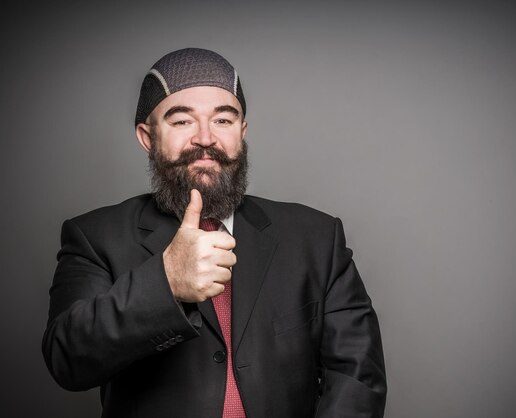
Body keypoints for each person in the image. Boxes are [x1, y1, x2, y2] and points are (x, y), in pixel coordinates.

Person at [42, 48, 386, 418]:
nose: (205, 138)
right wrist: (167, 283)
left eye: (223, 120)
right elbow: (68, 359)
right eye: (182, 121)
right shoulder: (95, 236)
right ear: (147, 136)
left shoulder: (317, 237)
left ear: (242, 131)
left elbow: (356, 375)